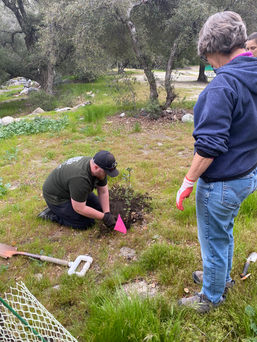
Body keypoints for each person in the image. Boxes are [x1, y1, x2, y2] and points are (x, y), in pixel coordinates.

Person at [176, 11, 257, 313]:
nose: (208, 63)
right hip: (247, 174)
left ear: (213, 49)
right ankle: (222, 279)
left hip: (222, 182)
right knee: (224, 232)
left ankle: (211, 296)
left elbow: (209, 146)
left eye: (207, 56)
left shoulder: (222, 86)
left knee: (212, 240)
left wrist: (188, 181)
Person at [37, 150, 119, 230]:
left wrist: (107, 214)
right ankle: (53, 214)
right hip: (57, 196)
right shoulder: (80, 178)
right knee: (86, 223)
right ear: (96, 167)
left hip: (74, 189)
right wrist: (104, 218)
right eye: (105, 172)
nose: (106, 175)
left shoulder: (100, 166)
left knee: (100, 209)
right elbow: (79, 208)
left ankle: (73, 202)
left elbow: (103, 192)